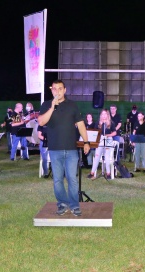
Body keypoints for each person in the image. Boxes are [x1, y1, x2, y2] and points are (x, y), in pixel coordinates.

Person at [38, 80, 90, 217]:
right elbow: (41, 121)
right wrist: (52, 107)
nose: (57, 91)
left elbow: (81, 125)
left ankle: (74, 205)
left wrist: (86, 142)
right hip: (55, 149)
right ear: (52, 91)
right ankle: (62, 204)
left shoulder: (72, 105)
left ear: (65, 90)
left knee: (72, 178)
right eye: (54, 89)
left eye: (60, 88)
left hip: (71, 149)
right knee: (57, 179)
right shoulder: (46, 105)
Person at [87, 109, 117, 180]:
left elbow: (115, 133)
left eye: (105, 114)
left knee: (107, 157)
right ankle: (92, 173)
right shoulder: (98, 123)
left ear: (107, 115)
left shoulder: (111, 123)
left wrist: (108, 135)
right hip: (100, 140)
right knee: (97, 156)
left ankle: (108, 173)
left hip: (108, 140)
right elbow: (95, 132)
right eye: (102, 114)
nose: (104, 116)